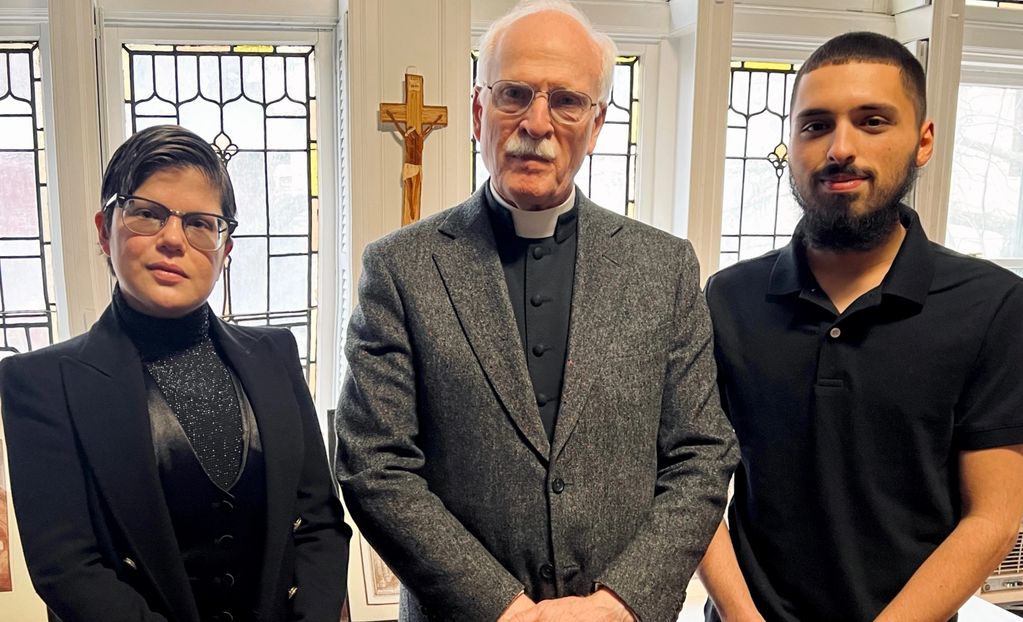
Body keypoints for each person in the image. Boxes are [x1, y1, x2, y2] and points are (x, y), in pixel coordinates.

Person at [335, 2, 737, 621]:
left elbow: (701, 454)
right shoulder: (400, 268)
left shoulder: (665, 267)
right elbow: (374, 464)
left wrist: (617, 603)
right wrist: (506, 610)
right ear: (478, 112)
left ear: (597, 125)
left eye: (567, 101)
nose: (536, 123)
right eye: (513, 94)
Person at [699, 31, 1023, 622]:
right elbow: (693, 485)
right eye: (816, 125)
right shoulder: (729, 298)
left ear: (923, 141)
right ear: (791, 142)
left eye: (872, 121)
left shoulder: (993, 305)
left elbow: (995, 516)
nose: (839, 147)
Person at [0, 125, 350, 622]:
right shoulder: (39, 384)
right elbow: (70, 570)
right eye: (147, 214)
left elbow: (318, 523)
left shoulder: (275, 354)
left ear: (224, 251)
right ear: (105, 229)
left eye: (200, 223)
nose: (172, 240)